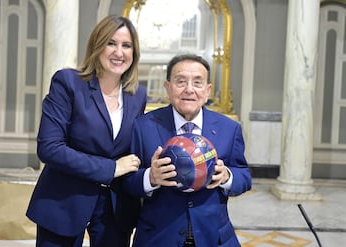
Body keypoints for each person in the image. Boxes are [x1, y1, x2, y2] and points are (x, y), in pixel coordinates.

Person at [26, 15, 146, 247]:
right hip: (64, 201)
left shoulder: (137, 95)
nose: (119, 52)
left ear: (134, 53)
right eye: (111, 43)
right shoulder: (68, 83)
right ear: (97, 45)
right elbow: (49, 148)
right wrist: (110, 168)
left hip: (114, 208)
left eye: (126, 45)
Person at [123, 54, 252, 247]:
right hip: (158, 238)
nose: (189, 90)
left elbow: (245, 177)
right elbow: (127, 183)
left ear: (208, 90)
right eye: (180, 81)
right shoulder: (143, 127)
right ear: (168, 87)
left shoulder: (228, 129)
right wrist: (151, 177)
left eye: (197, 82)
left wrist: (227, 176)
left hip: (214, 238)